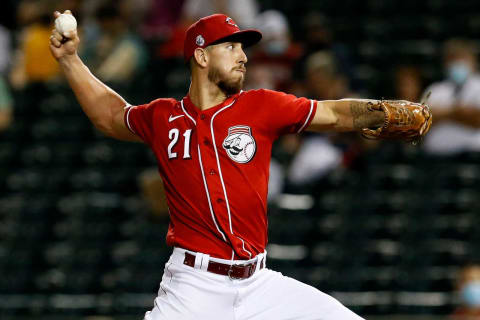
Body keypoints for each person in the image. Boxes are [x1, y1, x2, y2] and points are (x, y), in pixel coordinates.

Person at [50, 11, 422, 320]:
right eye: (230, 46)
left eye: (242, 47)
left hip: (259, 284)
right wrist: (70, 59)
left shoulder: (261, 106)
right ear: (201, 56)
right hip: (193, 288)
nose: (243, 56)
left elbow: (332, 112)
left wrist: (381, 111)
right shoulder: (163, 117)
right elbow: (110, 115)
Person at [422, 39, 480, 155]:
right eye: (452, 59)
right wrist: (458, 112)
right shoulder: (434, 89)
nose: (457, 63)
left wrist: (442, 114)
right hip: (437, 157)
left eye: (462, 58)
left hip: (473, 157)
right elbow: (422, 121)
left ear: (473, 61)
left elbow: (477, 118)